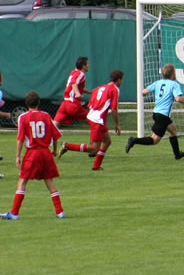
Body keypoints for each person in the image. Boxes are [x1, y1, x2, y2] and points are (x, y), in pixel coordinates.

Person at [1, 91, 65, 220]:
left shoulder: (23, 117)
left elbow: (20, 139)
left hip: (32, 152)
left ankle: (14, 213)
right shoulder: (46, 116)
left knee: (23, 181)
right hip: (45, 152)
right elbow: (55, 135)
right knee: (49, 181)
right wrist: (54, 149)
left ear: (26, 103)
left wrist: (18, 156)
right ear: (39, 102)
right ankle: (60, 211)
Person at [57, 70, 123, 171]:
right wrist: (117, 124)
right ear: (118, 80)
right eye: (121, 80)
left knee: (107, 141)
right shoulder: (115, 89)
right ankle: (67, 146)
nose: (121, 82)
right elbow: (114, 109)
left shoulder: (100, 88)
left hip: (96, 117)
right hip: (97, 119)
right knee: (93, 148)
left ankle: (96, 166)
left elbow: (91, 103)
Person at [127, 63, 184, 159]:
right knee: (154, 140)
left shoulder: (158, 83)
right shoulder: (174, 84)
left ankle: (177, 155)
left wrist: (147, 94)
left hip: (157, 113)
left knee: (173, 130)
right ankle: (133, 140)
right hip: (162, 116)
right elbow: (178, 99)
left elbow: (144, 91)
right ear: (172, 74)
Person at [53, 56, 90, 129]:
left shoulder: (74, 72)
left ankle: (49, 139)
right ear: (83, 66)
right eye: (87, 64)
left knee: (55, 125)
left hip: (65, 103)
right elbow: (73, 83)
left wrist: (89, 92)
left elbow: (73, 86)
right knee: (93, 120)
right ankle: (100, 139)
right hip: (73, 104)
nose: (89, 65)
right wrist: (77, 93)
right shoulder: (81, 74)